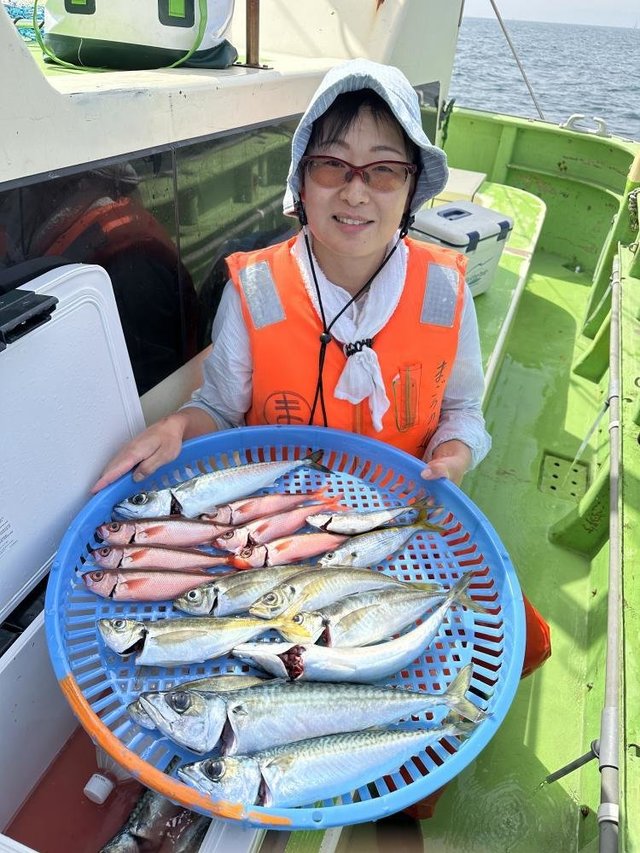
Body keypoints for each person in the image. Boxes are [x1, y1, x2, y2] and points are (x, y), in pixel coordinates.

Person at [92, 60, 551, 820]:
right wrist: (180, 424)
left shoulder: (445, 289)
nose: (356, 189)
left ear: (412, 189)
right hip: (280, 547)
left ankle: (409, 791)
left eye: (383, 169)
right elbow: (219, 408)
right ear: (301, 180)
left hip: (404, 534)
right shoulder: (256, 289)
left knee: (519, 638)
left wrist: (456, 452)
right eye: (333, 165)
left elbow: (465, 410)